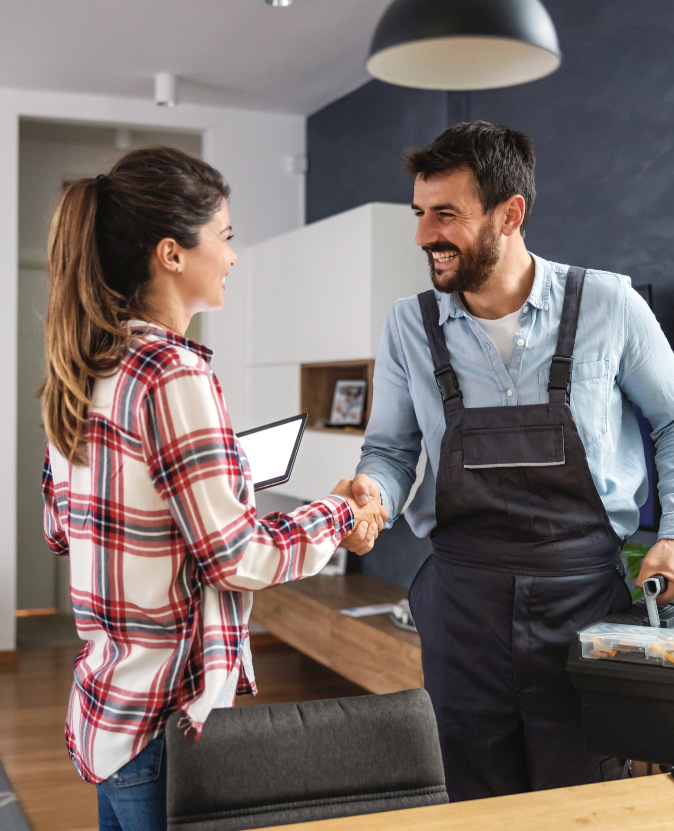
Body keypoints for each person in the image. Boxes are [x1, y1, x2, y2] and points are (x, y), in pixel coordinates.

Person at [40, 146, 386, 831]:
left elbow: (64, 526)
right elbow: (237, 558)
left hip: (109, 710)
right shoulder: (173, 374)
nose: (232, 255)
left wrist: (209, 483)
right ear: (172, 252)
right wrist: (338, 512)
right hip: (168, 722)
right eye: (225, 237)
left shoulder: (86, 367)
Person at [350, 121, 674, 800]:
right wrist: (370, 492)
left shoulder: (610, 305)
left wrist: (672, 532)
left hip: (584, 601)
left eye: (445, 214)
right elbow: (390, 449)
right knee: (474, 799)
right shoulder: (410, 325)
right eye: (419, 213)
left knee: (585, 798)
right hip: (462, 608)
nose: (423, 235)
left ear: (510, 213)